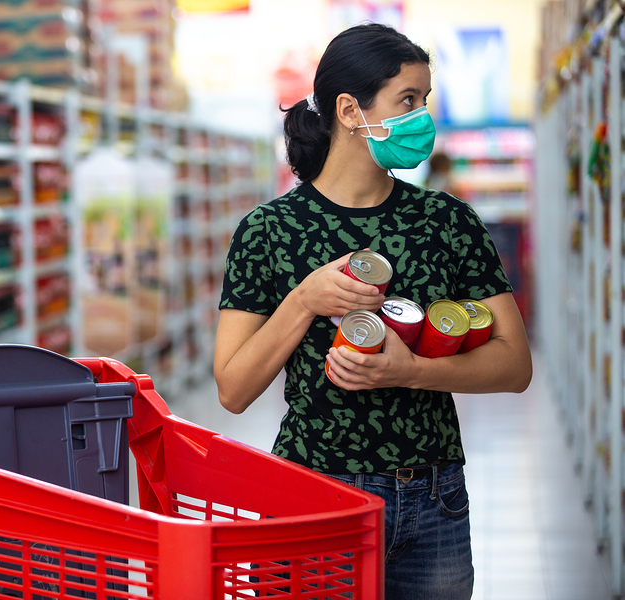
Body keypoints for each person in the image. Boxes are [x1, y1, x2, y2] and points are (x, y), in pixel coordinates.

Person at [214, 23, 531, 600]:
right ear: (348, 110)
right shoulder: (268, 231)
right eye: (407, 100)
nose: (422, 118)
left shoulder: (448, 222)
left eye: (425, 101)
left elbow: (515, 366)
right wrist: (304, 300)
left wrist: (412, 371)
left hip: (432, 495)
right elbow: (232, 389)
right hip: (313, 496)